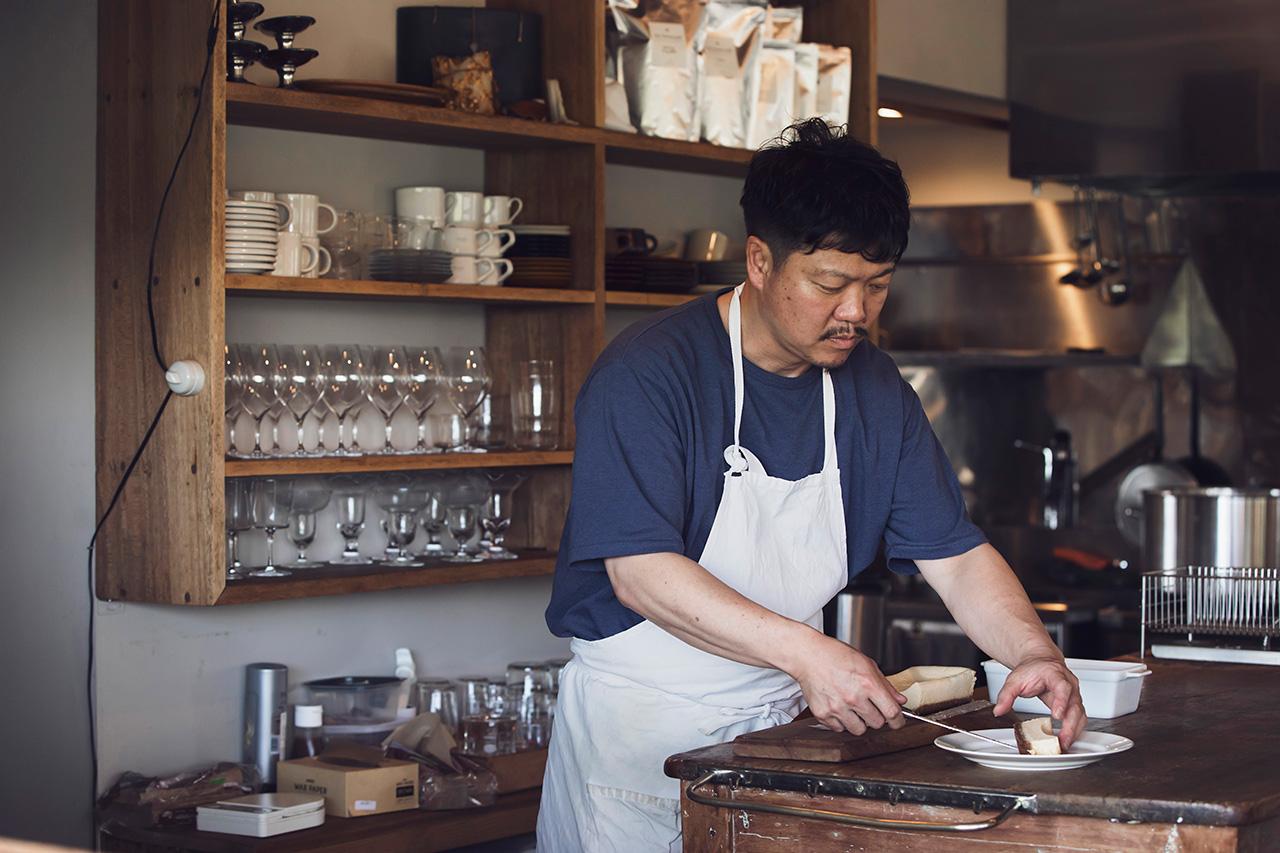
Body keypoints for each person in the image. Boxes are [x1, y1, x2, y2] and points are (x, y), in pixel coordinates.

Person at [537, 118, 1085, 852]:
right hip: (639, 746)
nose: (856, 312)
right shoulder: (649, 373)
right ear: (759, 261)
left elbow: (952, 553)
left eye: (877, 285)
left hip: (786, 737)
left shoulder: (873, 387)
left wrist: (1032, 653)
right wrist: (808, 653)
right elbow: (639, 573)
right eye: (830, 283)